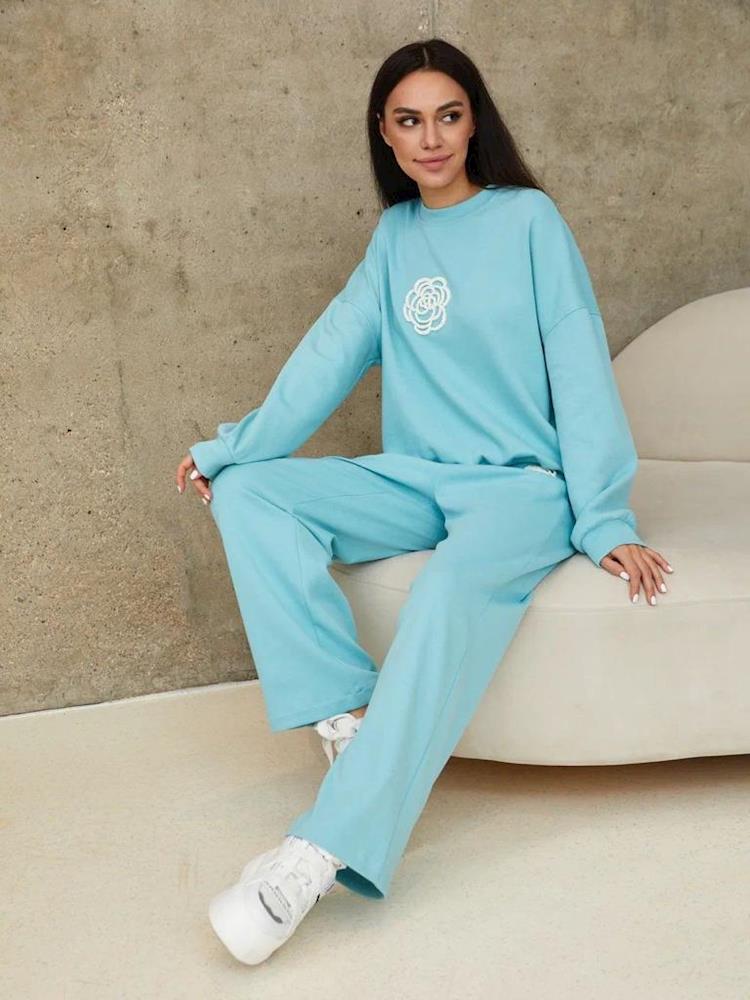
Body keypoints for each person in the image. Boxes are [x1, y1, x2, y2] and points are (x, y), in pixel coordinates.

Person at [175, 37, 674, 965]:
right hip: (419, 477)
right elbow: (326, 356)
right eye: (410, 121)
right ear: (386, 133)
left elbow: (580, 367)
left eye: (448, 115)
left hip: (522, 490)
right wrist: (230, 449)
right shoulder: (396, 237)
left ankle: (316, 854)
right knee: (250, 495)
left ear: (474, 121)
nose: (431, 138)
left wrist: (604, 518)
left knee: (446, 594)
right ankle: (347, 721)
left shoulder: (528, 221)